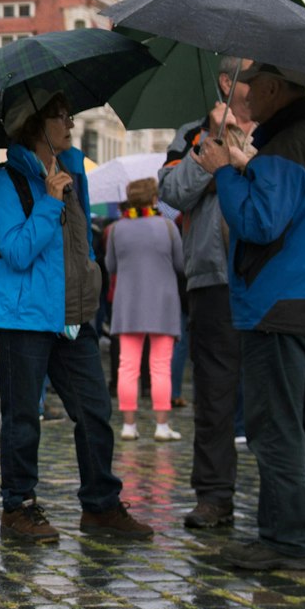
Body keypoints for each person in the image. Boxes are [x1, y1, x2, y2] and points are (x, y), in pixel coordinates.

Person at [193, 63, 305, 570]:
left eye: (250, 88)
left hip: (278, 304)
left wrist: (224, 171)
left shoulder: (287, 144)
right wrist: (247, 169)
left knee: (277, 429)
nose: (244, 99)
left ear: (271, 88)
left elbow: (260, 222)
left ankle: (285, 540)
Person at [0, 87, 151, 544]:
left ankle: (101, 504)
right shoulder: (2, 184)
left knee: (94, 410)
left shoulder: (72, 172)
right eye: (61, 115)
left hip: (72, 313)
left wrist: (89, 282)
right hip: (23, 317)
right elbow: (16, 251)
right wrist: (49, 202)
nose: (71, 123)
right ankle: (18, 506)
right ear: (34, 125)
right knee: (23, 417)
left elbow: (81, 244)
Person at [159, 56, 254, 530]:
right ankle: (214, 494)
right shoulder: (193, 132)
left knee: (270, 392)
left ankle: (283, 497)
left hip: (266, 276)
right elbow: (172, 191)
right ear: (227, 80)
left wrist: (241, 162)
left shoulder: (275, 131)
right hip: (213, 276)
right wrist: (210, 148)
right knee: (215, 394)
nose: (262, 81)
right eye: (252, 73)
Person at [105, 178, 186, 443]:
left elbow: (111, 266)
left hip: (128, 304)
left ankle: (129, 426)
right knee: (160, 366)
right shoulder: (167, 227)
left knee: (127, 366)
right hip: (162, 303)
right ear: (153, 199)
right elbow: (180, 264)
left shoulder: (116, 229)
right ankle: (162, 426)